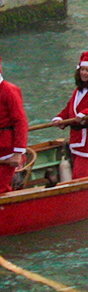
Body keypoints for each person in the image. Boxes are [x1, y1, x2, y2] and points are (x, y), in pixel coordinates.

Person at [49, 53, 88, 179]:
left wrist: (87, 114)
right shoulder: (78, 90)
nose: (84, 73)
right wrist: (60, 118)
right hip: (76, 139)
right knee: (78, 170)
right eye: (82, 70)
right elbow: (69, 109)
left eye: (87, 70)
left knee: (80, 176)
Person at [0, 58, 27, 193]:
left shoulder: (9, 90)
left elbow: (21, 122)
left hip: (7, 150)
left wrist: (18, 153)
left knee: (1, 188)